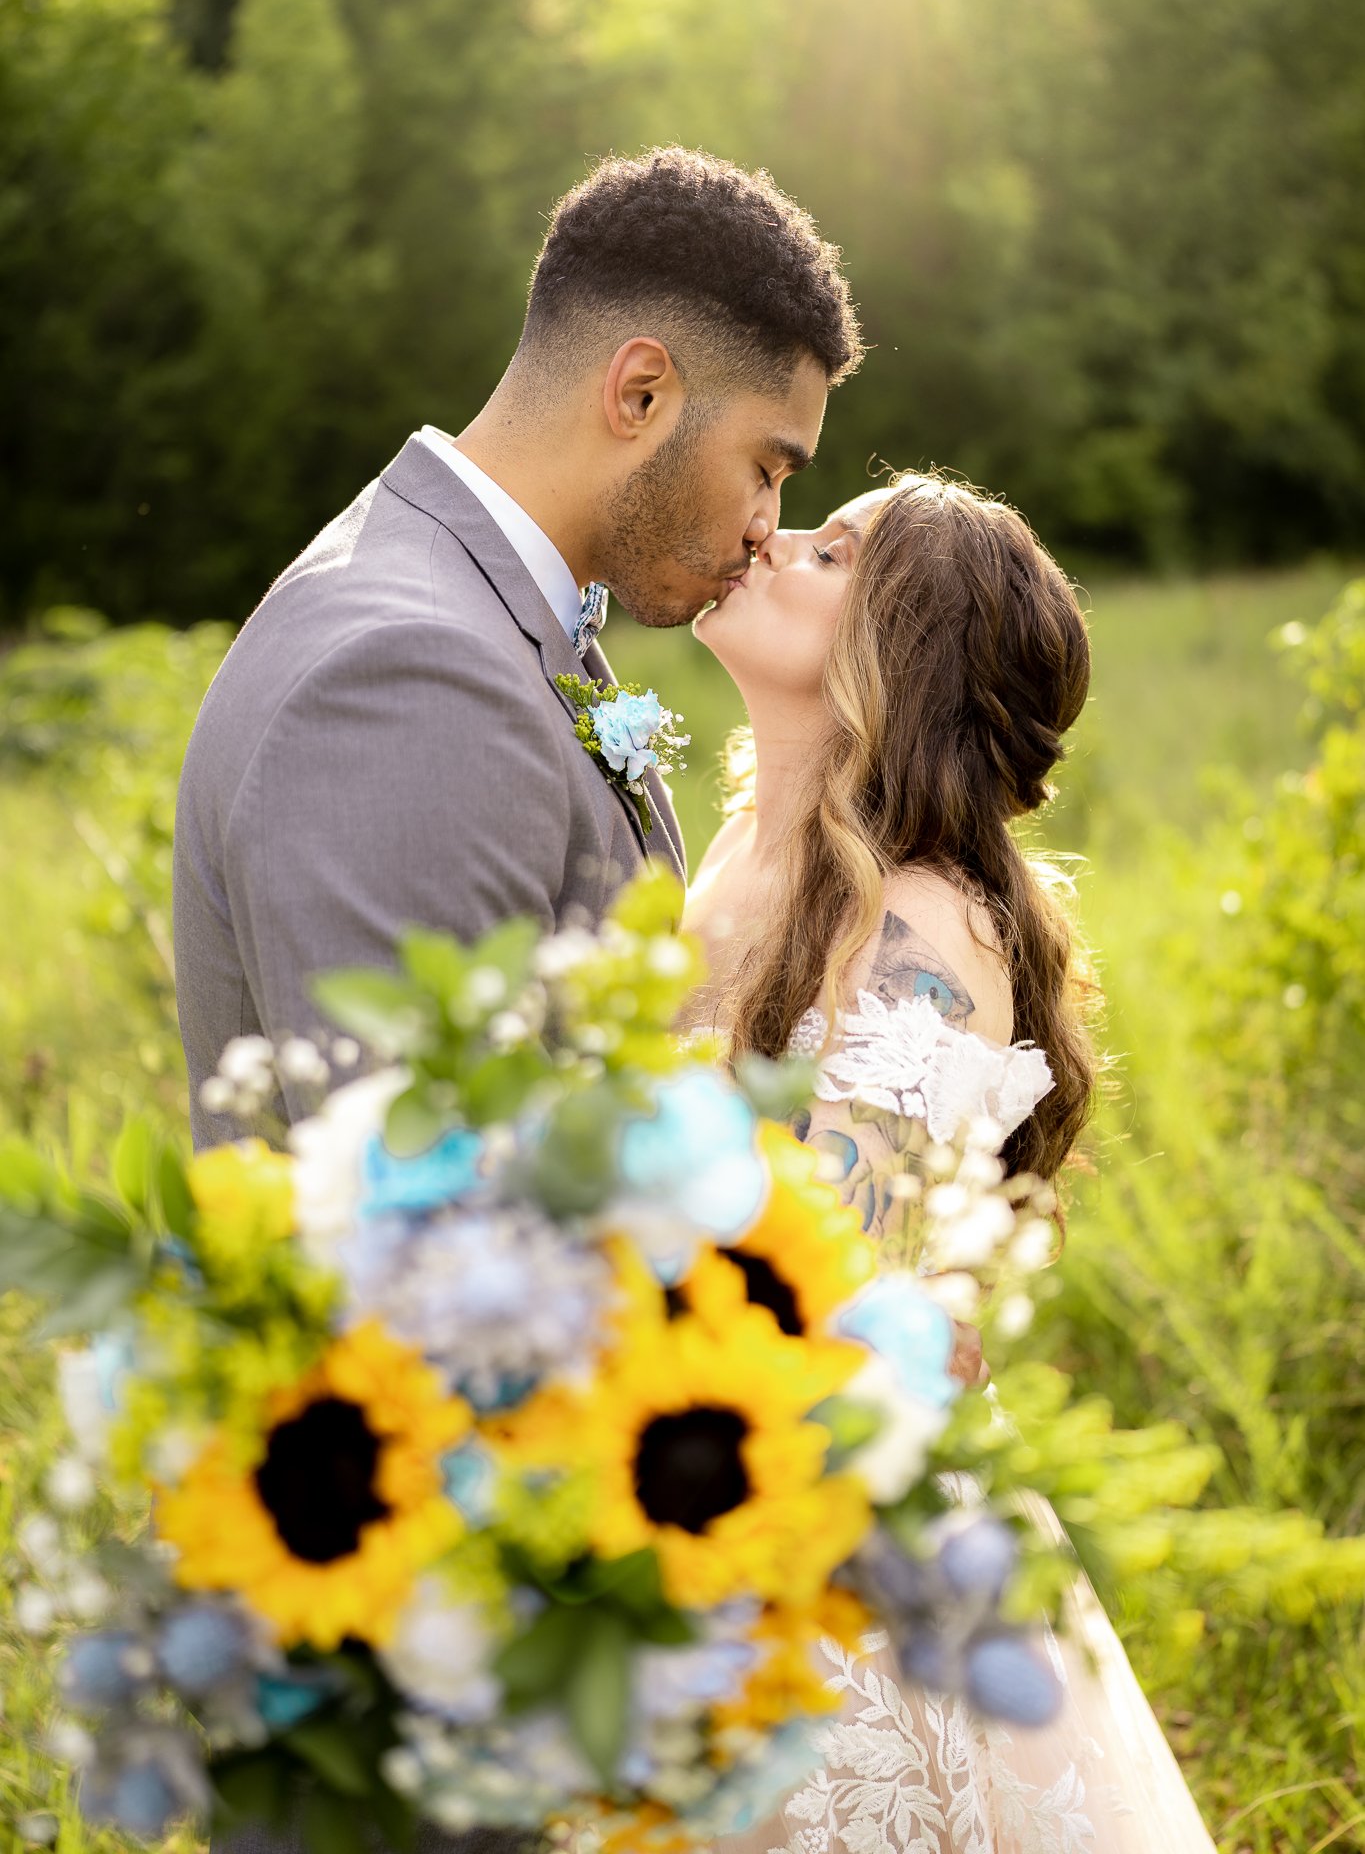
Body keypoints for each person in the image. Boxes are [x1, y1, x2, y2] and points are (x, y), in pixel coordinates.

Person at [685, 475, 1218, 1853]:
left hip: (816, 1520)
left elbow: (816, 1288)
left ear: (896, 647)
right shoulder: (736, 863)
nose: (768, 540)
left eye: (828, 548)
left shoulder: (929, 927)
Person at [173, 146, 861, 1150]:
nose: (768, 522)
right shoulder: (409, 677)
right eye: (766, 465)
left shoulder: (484, 607)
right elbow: (429, 1224)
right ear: (639, 395)